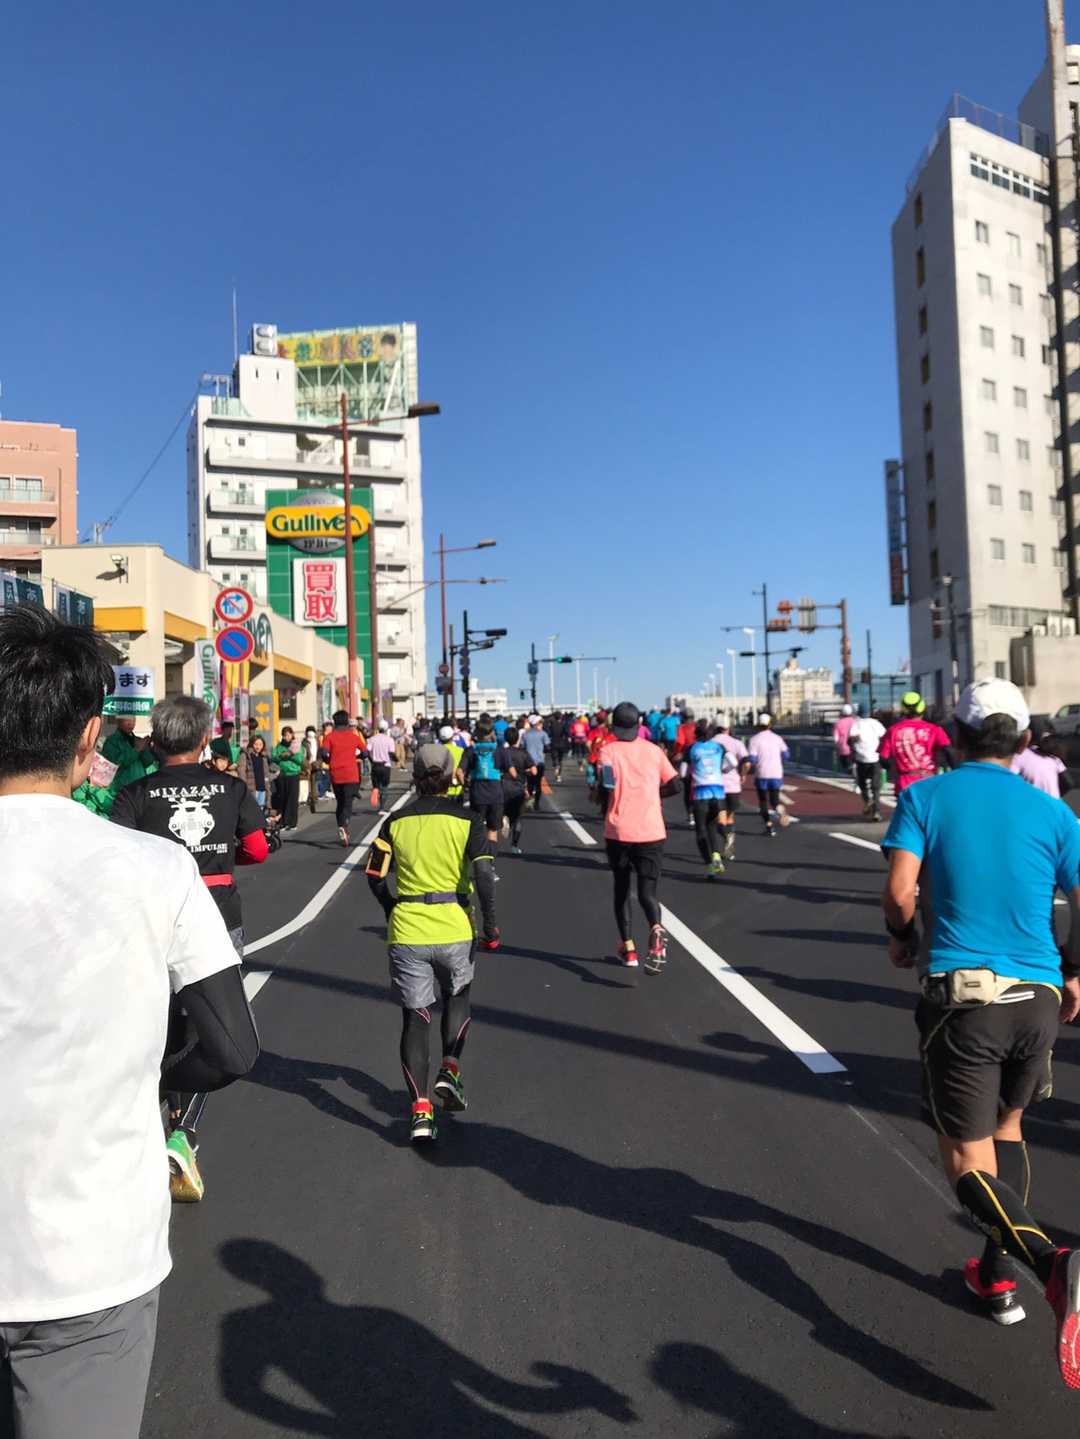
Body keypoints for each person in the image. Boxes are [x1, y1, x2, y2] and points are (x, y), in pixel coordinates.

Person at [0, 607, 257, 1438]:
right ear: (89, 735)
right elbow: (232, 1046)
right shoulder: (154, 868)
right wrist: (151, 1075)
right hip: (87, 1259)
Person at [882, 678, 1080, 1380]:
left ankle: (1053, 1265)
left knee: (968, 1161)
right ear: (1023, 740)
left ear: (957, 737)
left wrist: (902, 937)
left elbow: (900, 892)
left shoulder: (925, 797)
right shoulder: (1052, 811)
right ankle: (994, 1278)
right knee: (1009, 1128)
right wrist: (1074, 971)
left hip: (967, 1000)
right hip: (1040, 998)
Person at [112, 695, 268, 1202]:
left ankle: (159, 1122)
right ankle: (183, 1133)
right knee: (213, 1029)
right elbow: (258, 849)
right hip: (218, 916)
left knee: (164, 1024)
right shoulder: (231, 787)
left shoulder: (134, 792)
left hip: (152, 918)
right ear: (204, 740)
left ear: (156, 740)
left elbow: (118, 857)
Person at [365, 743, 499, 1142]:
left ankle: (421, 1111)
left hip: (408, 928)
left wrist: (391, 906)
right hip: (454, 925)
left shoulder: (395, 822)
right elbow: (485, 876)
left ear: (416, 777)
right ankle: (450, 1068)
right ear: (452, 775)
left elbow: (374, 875)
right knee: (457, 997)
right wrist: (491, 925)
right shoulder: (468, 820)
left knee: (415, 1018)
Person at [600, 701, 680, 971]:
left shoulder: (608, 751)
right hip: (651, 830)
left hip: (619, 830)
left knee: (621, 889)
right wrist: (654, 794)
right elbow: (675, 784)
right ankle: (656, 929)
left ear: (614, 727)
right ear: (639, 725)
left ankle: (629, 949)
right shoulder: (654, 751)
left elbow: (606, 783)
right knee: (648, 893)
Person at [880, 691, 952, 794]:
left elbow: (883, 758)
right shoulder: (934, 729)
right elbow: (949, 751)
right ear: (922, 707)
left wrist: (894, 768)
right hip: (929, 781)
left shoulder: (893, 731)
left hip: (905, 783)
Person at [321, 710, 366, 847]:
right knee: (347, 803)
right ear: (347, 721)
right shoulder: (353, 736)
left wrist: (329, 761)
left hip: (336, 773)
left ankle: (341, 825)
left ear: (335, 722)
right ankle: (344, 825)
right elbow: (365, 753)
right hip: (351, 774)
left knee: (340, 802)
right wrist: (356, 757)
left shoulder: (329, 737)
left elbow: (323, 753)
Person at [747, 713, 791, 837]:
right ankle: (779, 809)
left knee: (763, 801)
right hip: (776, 773)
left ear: (758, 725)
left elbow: (752, 759)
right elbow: (786, 755)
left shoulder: (754, 740)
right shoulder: (777, 738)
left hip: (762, 774)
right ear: (770, 724)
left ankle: (769, 826)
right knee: (774, 800)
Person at [461, 720, 504, 843]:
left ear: (476, 733)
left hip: (477, 793)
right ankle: (491, 853)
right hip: (495, 793)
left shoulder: (470, 750)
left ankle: (479, 853)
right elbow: (511, 772)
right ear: (492, 733)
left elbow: (459, 772)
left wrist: (465, 784)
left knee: (476, 829)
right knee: (493, 830)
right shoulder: (499, 750)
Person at [714, 716, 749, 862]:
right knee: (730, 817)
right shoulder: (737, 743)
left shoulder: (711, 742)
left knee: (719, 818)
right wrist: (743, 775)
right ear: (729, 727)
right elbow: (746, 762)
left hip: (717, 785)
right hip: (733, 786)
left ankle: (726, 837)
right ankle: (729, 845)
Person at [500, 725, 536, 855]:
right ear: (518, 739)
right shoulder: (523, 753)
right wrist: (524, 771)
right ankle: (514, 846)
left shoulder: (501, 752)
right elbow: (534, 771)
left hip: (502, 786)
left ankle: (503, 819)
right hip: (518, 787)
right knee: (518, 818)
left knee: (502, 810)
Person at [848, 709, 887, 821]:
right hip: (875, 758)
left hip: (861, 758)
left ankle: (867, 802)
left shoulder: (857, 724)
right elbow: (885, 736)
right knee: (876, 787)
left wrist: (855, 745)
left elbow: (851, 738)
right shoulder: (876, 723)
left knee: (862, 783)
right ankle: (876, 812)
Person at [1013, 726, 1073, 799]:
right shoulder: (1055, 760)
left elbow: (1008, 779)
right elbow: (1069, 783)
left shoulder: (1019, 755)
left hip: (1033, 801)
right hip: (1053, 802)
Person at [270, 726, 302, 830]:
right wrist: (281, 756)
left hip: (294, 774)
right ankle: (283, 822)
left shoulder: (296, 745)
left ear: (292, 734)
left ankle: (292, 823)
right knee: (283, 798)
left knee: (293, 799)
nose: (286, 737)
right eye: (284, 735)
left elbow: (300, 759)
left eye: (288, 735)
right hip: (282, 774)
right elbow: (273, 757)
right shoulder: (279, 746)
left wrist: (290, 755)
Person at [673, 709, 698, 827]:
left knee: (687, 788)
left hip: (687, 759)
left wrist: (676, 753)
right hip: (700, 759)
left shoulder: (682, 728)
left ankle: (690, 815)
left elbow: (680, 742)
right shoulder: (698, 726)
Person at [367, 718, 396, 809]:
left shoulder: (372, 739)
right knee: (384, 786)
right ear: (386, 729)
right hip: (385, 765)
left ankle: (375, 789)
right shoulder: (389, 740)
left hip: (375, 765)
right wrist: (396, 759)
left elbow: (367, 751)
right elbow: (391, 753)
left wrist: (372, 760)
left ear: (378, 728)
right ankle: (382, 807)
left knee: (376, 784)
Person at [521, 715, 550, 807]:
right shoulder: (543, 734)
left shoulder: (525, 734)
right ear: (537, 723)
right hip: (539, 762)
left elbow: (522, 747)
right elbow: (547, 747)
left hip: (528, 762)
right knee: (538, 783)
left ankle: (529, 801)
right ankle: (537, 803)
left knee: (530, 783)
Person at [238, 733, 271, 810]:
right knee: (251, 810)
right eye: (256, 744)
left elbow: (266, 772)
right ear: (251, 744)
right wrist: (244, 786)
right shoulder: (245, 755)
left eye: (260, 744)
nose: (258, 746)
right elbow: (241, 771)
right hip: (251, 788)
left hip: (262, 788)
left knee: (261, 810)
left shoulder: (263, 757)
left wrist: (268, 784)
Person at [833, 703, 857, 783]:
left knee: (845, 763)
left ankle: (851, 770)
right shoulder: (855, 721)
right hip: (854, 746)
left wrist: (836, 746)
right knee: (855, 760)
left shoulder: (838, 723)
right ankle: (854, 770)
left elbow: (836, 737)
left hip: (843, 747)